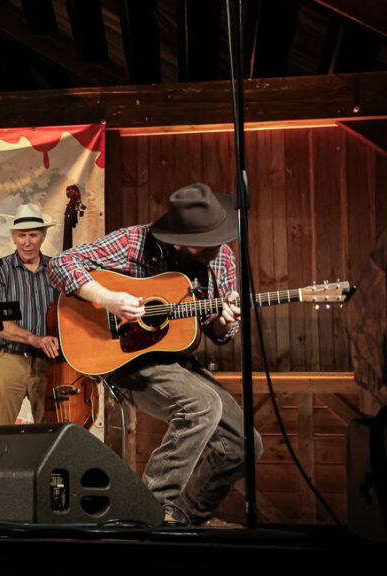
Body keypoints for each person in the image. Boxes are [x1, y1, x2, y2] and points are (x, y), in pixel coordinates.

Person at [47, 183, 262, 525]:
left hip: (175, 357)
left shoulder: (221, 256)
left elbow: (217, 332)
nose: (214, 247)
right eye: (204, 241)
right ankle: (147, 514)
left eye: (216, 237)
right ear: (177, 237)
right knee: (202, 406)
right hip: (125, 357)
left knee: (244, 444)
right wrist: (107, 299)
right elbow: (61, 264)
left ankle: (184, 519)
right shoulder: (134, 242)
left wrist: (223, 322)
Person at [0, 203, 60, 426]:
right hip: (10, 359)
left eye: (33, 235)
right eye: (22, 235)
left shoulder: (55, 269)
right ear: (14, 238)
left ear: (43, 237)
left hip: (49, 364)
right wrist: (36, 340)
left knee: (51, 432)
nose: (27, 242)